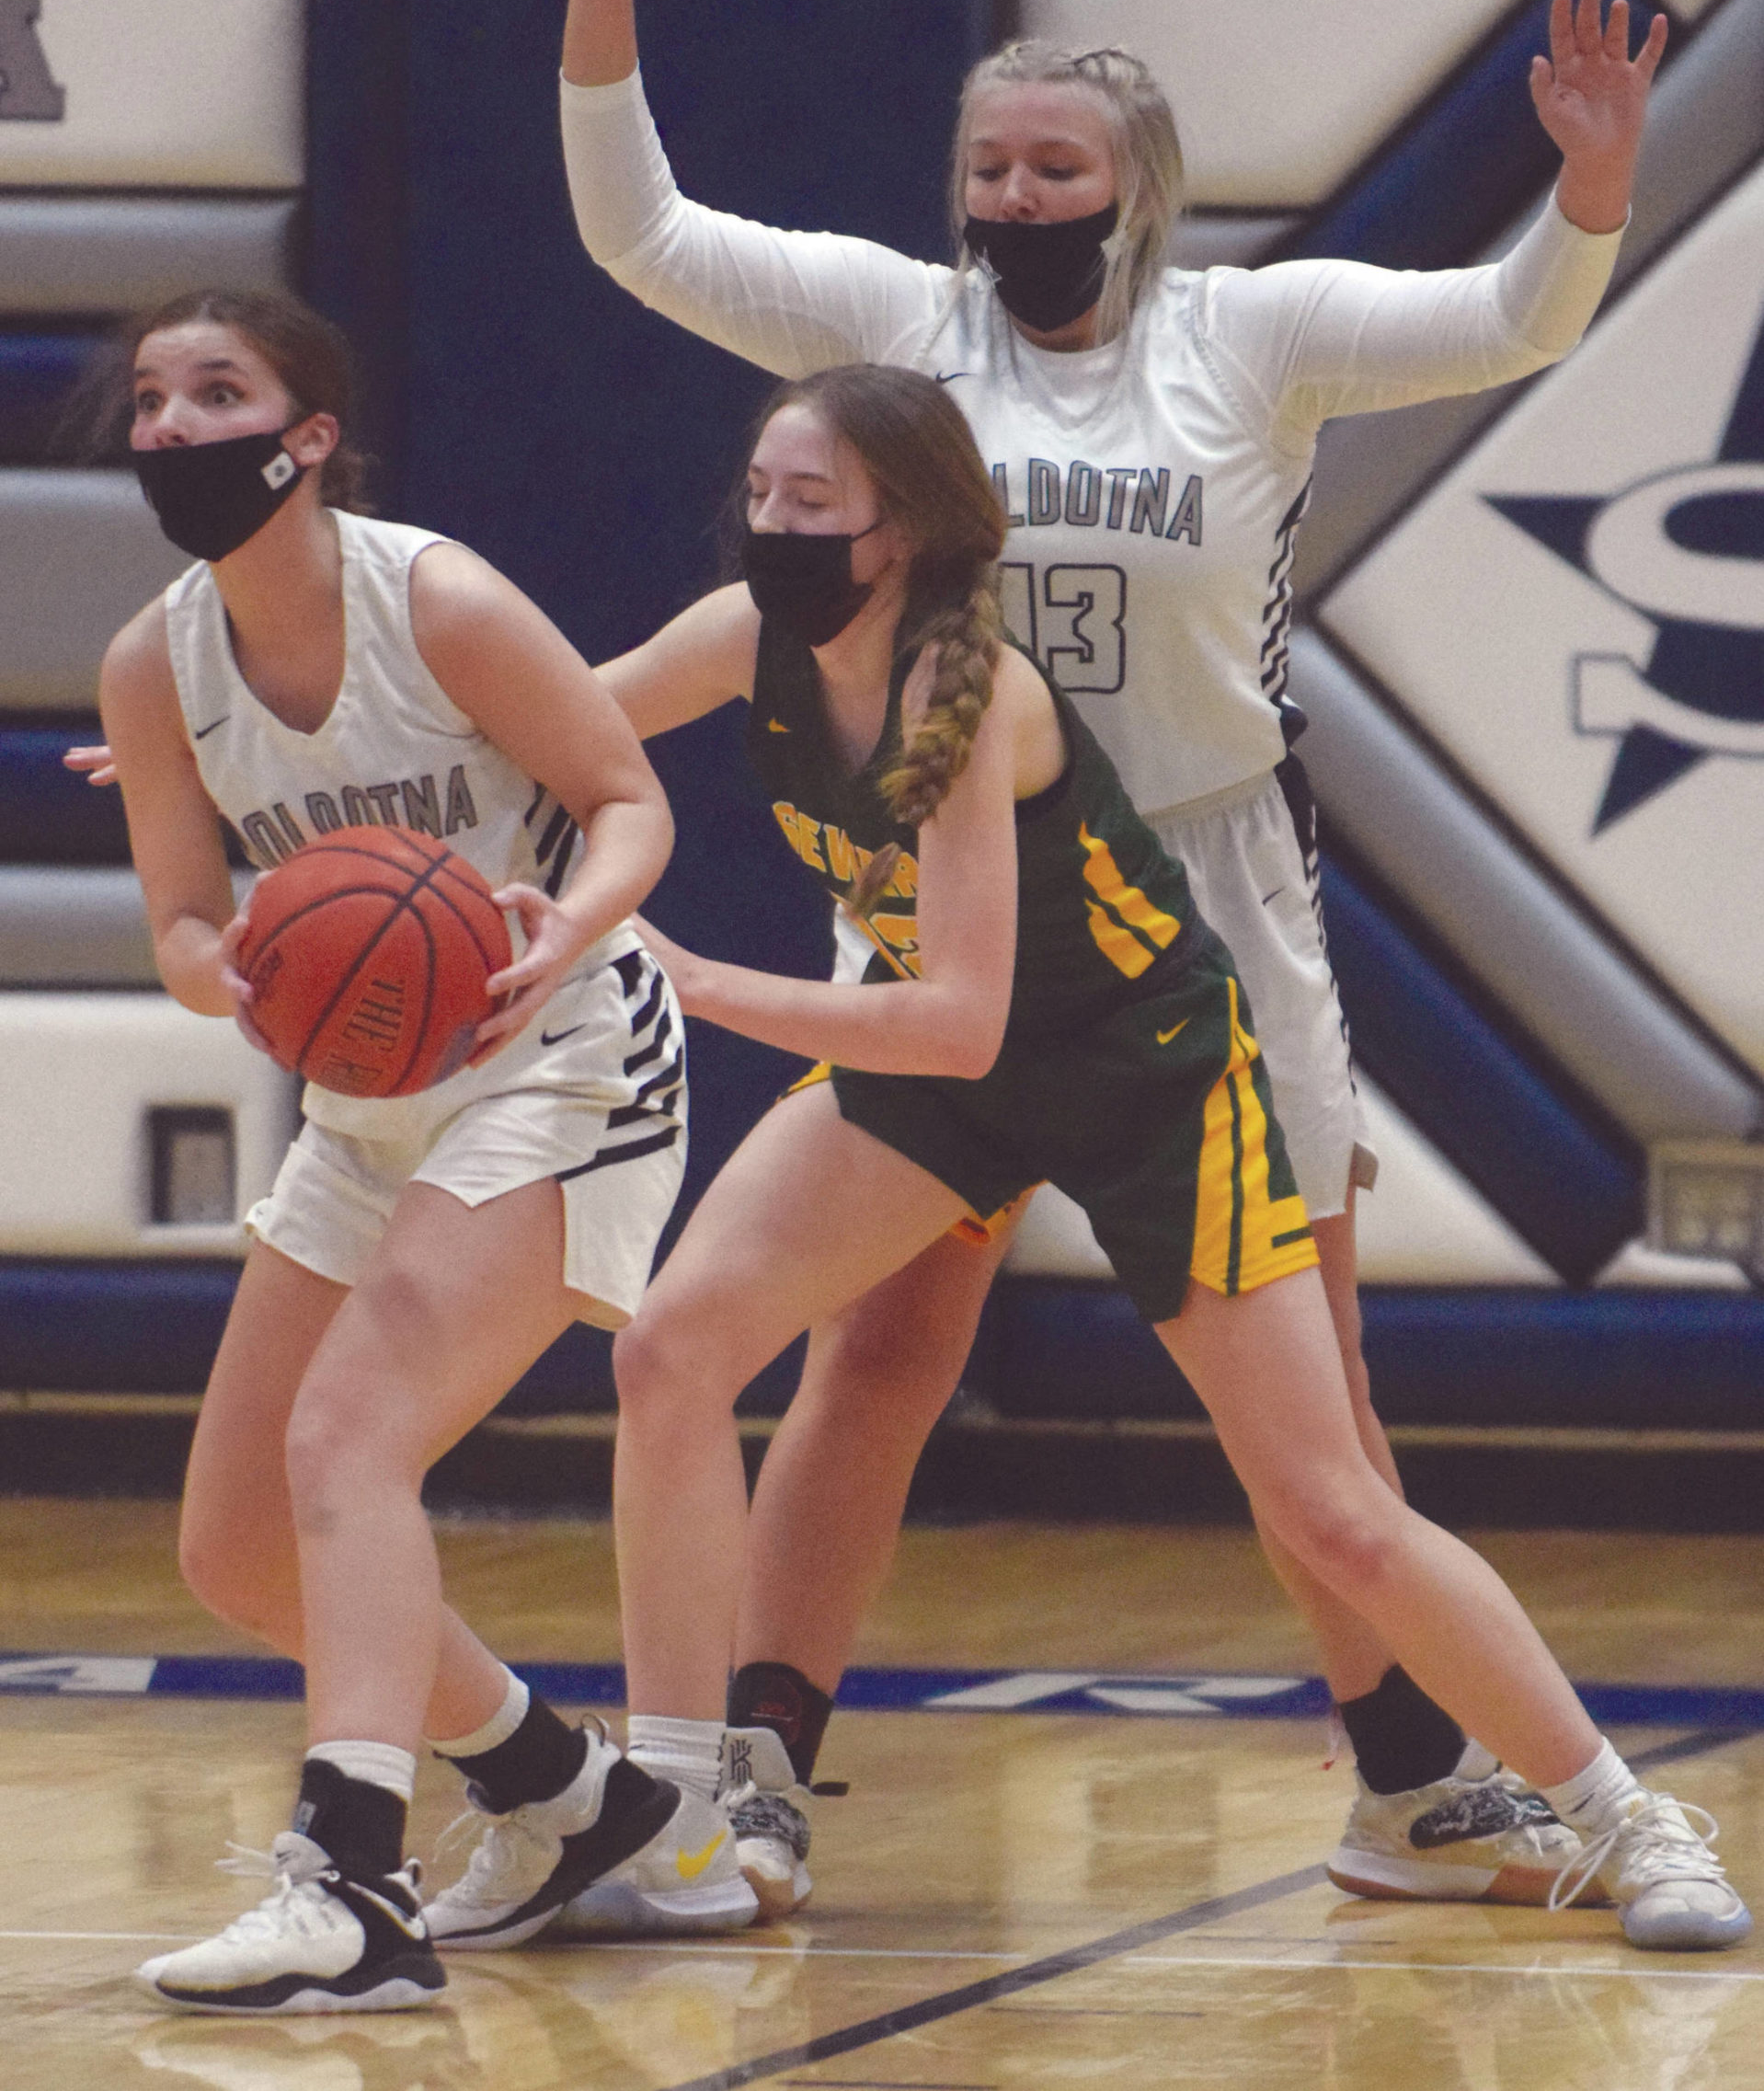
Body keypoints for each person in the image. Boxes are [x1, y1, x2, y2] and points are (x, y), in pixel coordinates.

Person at [552, 0, 1671, 1916]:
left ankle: (1408, 1780)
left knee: (1310, 1392)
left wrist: (1591, 192)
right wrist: (600, 8)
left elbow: (1507, 322)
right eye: (986, 167)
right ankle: (758, 1769)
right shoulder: (898, 344)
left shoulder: (1247, 340)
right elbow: (645, 242)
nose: (1010, 197)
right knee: (874, 1351)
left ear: (1133, 190)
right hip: (953, 899)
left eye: (1050, 168)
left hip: (1210, 902)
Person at [428, 362, 1747, 1958]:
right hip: (947, 1075)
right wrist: (276, 794)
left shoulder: (971, 690)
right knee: (672, 1351)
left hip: (1141, 1074)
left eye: (812, 504)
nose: (771, 525)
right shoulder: (741, 638)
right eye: (761, 494)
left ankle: (1622, 1813)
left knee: (1325, 1506)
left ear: (903, 530)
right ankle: (681, 1813)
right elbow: (520, 719)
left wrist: (695, 985)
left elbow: (968, 1017)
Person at [96, 289, 757, 2015]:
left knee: (348, 1434)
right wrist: (227, 971)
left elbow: (630, 800)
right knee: (240, 1546)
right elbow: (178, 916)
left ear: (305, 436)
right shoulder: (152, 660)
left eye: (216, 391)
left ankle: (354, 1888)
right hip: (368, 1097)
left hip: (561, 1047)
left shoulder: (435, 597)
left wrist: (561, 928)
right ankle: (571, 1798)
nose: (173, 422)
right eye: (153, 399)